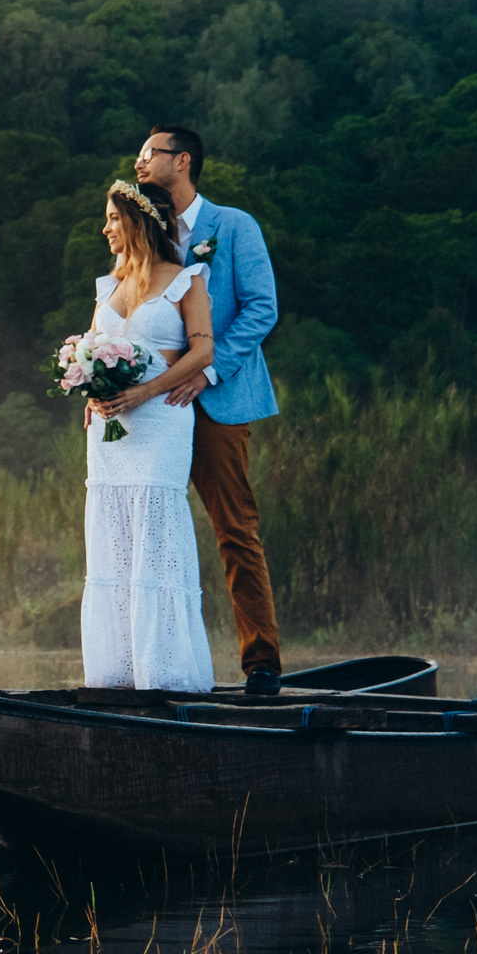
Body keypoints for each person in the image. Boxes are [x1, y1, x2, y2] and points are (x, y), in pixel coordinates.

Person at [133, 125, 285, 696]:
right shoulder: (146, 230)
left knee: (234, 530)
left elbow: (261, 309)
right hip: (156, 404)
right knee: (152, 531)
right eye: (140, 155)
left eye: (151, 154)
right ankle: (156, 661)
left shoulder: (235, 225)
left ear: (183, 161)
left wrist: (209, 370)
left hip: (219, 399)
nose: (141, 162)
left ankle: (261, 663)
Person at [80, 179, 217, 691]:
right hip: (110, 432)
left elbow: (202, 353)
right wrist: (88, 385)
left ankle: (166, 674)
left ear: (139, 222)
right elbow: (92, 349)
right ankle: (116, 675)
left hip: (160, 421)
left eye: (114, 219)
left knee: (156, 530)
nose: (106, 228)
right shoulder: (107, 286)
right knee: (112, 538)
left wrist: (146, 391)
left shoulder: (186, 280)